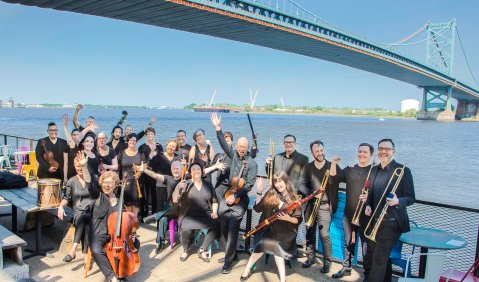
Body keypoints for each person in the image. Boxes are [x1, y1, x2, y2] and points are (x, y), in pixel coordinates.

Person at [210, 113, 258, 274]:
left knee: (233, 228)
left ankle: (228, 262)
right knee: (222, 226)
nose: (242, 148)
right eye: (240, 146)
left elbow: (249, 185)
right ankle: (233, 253)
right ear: (237, 146)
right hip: (226, 196)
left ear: (247, 147)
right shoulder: (234, 156)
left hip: (240, 199)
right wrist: (218, 128)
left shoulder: (252, 163)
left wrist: (235, 196)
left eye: (245, 146)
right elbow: (224, 144)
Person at [80, 153, 138, 282]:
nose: (107, 185)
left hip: (114, 235)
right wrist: (84, 166)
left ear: (115, 185)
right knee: (96, 248)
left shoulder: (119, 201)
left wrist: (131, 233)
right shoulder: (98, 196)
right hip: (98, 232)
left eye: (110, 183)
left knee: (135, 243)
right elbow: (90, 184)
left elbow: (123, 219)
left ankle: (120, 271)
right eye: (104, 183)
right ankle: (111, 276)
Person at [364, 139, 415, 282]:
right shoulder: (373, 170)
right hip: (375, 221)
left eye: (387, 149)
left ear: (393, 152)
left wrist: (398, 201)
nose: (383, 151)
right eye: (381, 148)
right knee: (379, 257)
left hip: (392, 222)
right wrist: (368, 204)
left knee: (379, 259)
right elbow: (370, 192)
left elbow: (411, 197)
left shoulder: (403, 171)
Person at [240, 173, 302, 282]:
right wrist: (259, 191)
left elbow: (298, 220)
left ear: (286, 181)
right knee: (263, 243)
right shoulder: (271, 193)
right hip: (267, 229)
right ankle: (247, 269)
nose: (278, 184)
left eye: (280, 181)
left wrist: (288, 218)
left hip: (284, 232)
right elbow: (258, 209)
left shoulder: (294, 198)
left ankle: (282, 279)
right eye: (275, 182)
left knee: (276, 245)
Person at [331, 143, 374, 279]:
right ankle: (347, 267)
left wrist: (369, 196)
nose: (362, 154)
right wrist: (333, 164)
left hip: (366, 215)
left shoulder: (375, 171)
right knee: (348, 242)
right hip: (349, 214)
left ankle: (368, 273)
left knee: (366, 245)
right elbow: (334, 179)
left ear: (371, 154)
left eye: (365, 152)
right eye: (360, 151)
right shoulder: (350, 169)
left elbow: (380, 191)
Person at [298, 140, 340, 273]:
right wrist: (312, 194)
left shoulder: (330, 165)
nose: (320, 153)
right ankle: (311, 257)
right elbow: (301, 185)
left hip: (324, 206)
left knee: (324, 234)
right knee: (310, 232)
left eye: (321, 150)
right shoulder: (308, 167)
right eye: (317, 151)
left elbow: (340, 178)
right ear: (312, 153)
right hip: (310, 204)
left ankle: (328, 261)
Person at [174, 163, 219, 263]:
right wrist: (178, 189)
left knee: (217, 224)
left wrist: (215, 212)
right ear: (190, 172)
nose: (196, 171)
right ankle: (186, 249)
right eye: (193, 169)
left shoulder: (208, 184)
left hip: (206, 214)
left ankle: (202, 249)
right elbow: (176, 200)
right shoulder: (186, 184)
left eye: (198, 169)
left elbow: (214, 201)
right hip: (190, 215)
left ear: (202, 171)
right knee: (185, 229)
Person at [57, 154, 94, 265]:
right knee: (84, 221)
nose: (79, 169)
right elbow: (66, 198)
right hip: (79, 211)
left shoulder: (90, 178)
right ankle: (86, 255)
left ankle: (73, 251)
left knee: (84, 220)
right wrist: (61, 206)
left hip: (92, 210)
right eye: (77, 167)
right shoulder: (72, 181)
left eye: (81, 166)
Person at [138, 127, 163, 217]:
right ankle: (144, 214)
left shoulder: (159, 146)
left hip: (156, 173)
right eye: (148, 134)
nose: (150, 136)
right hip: (145, 173)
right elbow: (142, 162)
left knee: (154, 193)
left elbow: (162, 159)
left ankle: (154, 214)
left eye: (152, 134)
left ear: (154, 135)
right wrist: (151, 154)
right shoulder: (142, 147)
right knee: (145, 193)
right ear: (146, 136)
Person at [118, 133, 144, 217]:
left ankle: (134, 222)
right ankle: (128, 220)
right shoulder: (122, 153)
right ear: (128, 141)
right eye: (131, 140)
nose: (132, 142)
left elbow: (145, 165)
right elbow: (118, 167)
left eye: (134, 140)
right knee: (127, 204)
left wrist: (139, 173)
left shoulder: (141, 154)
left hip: (137, 182)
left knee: (136, 204)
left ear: (136, 142)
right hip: (125, 182)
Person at [62, 114, 81, 183]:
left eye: (77, 135)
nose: (76, 136)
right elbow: (65, 163)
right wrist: (65, 177)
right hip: (70, 172)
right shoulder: (67, 147)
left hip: (80, 173)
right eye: (74, 135)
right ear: (71, 136)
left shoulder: (83, 147)